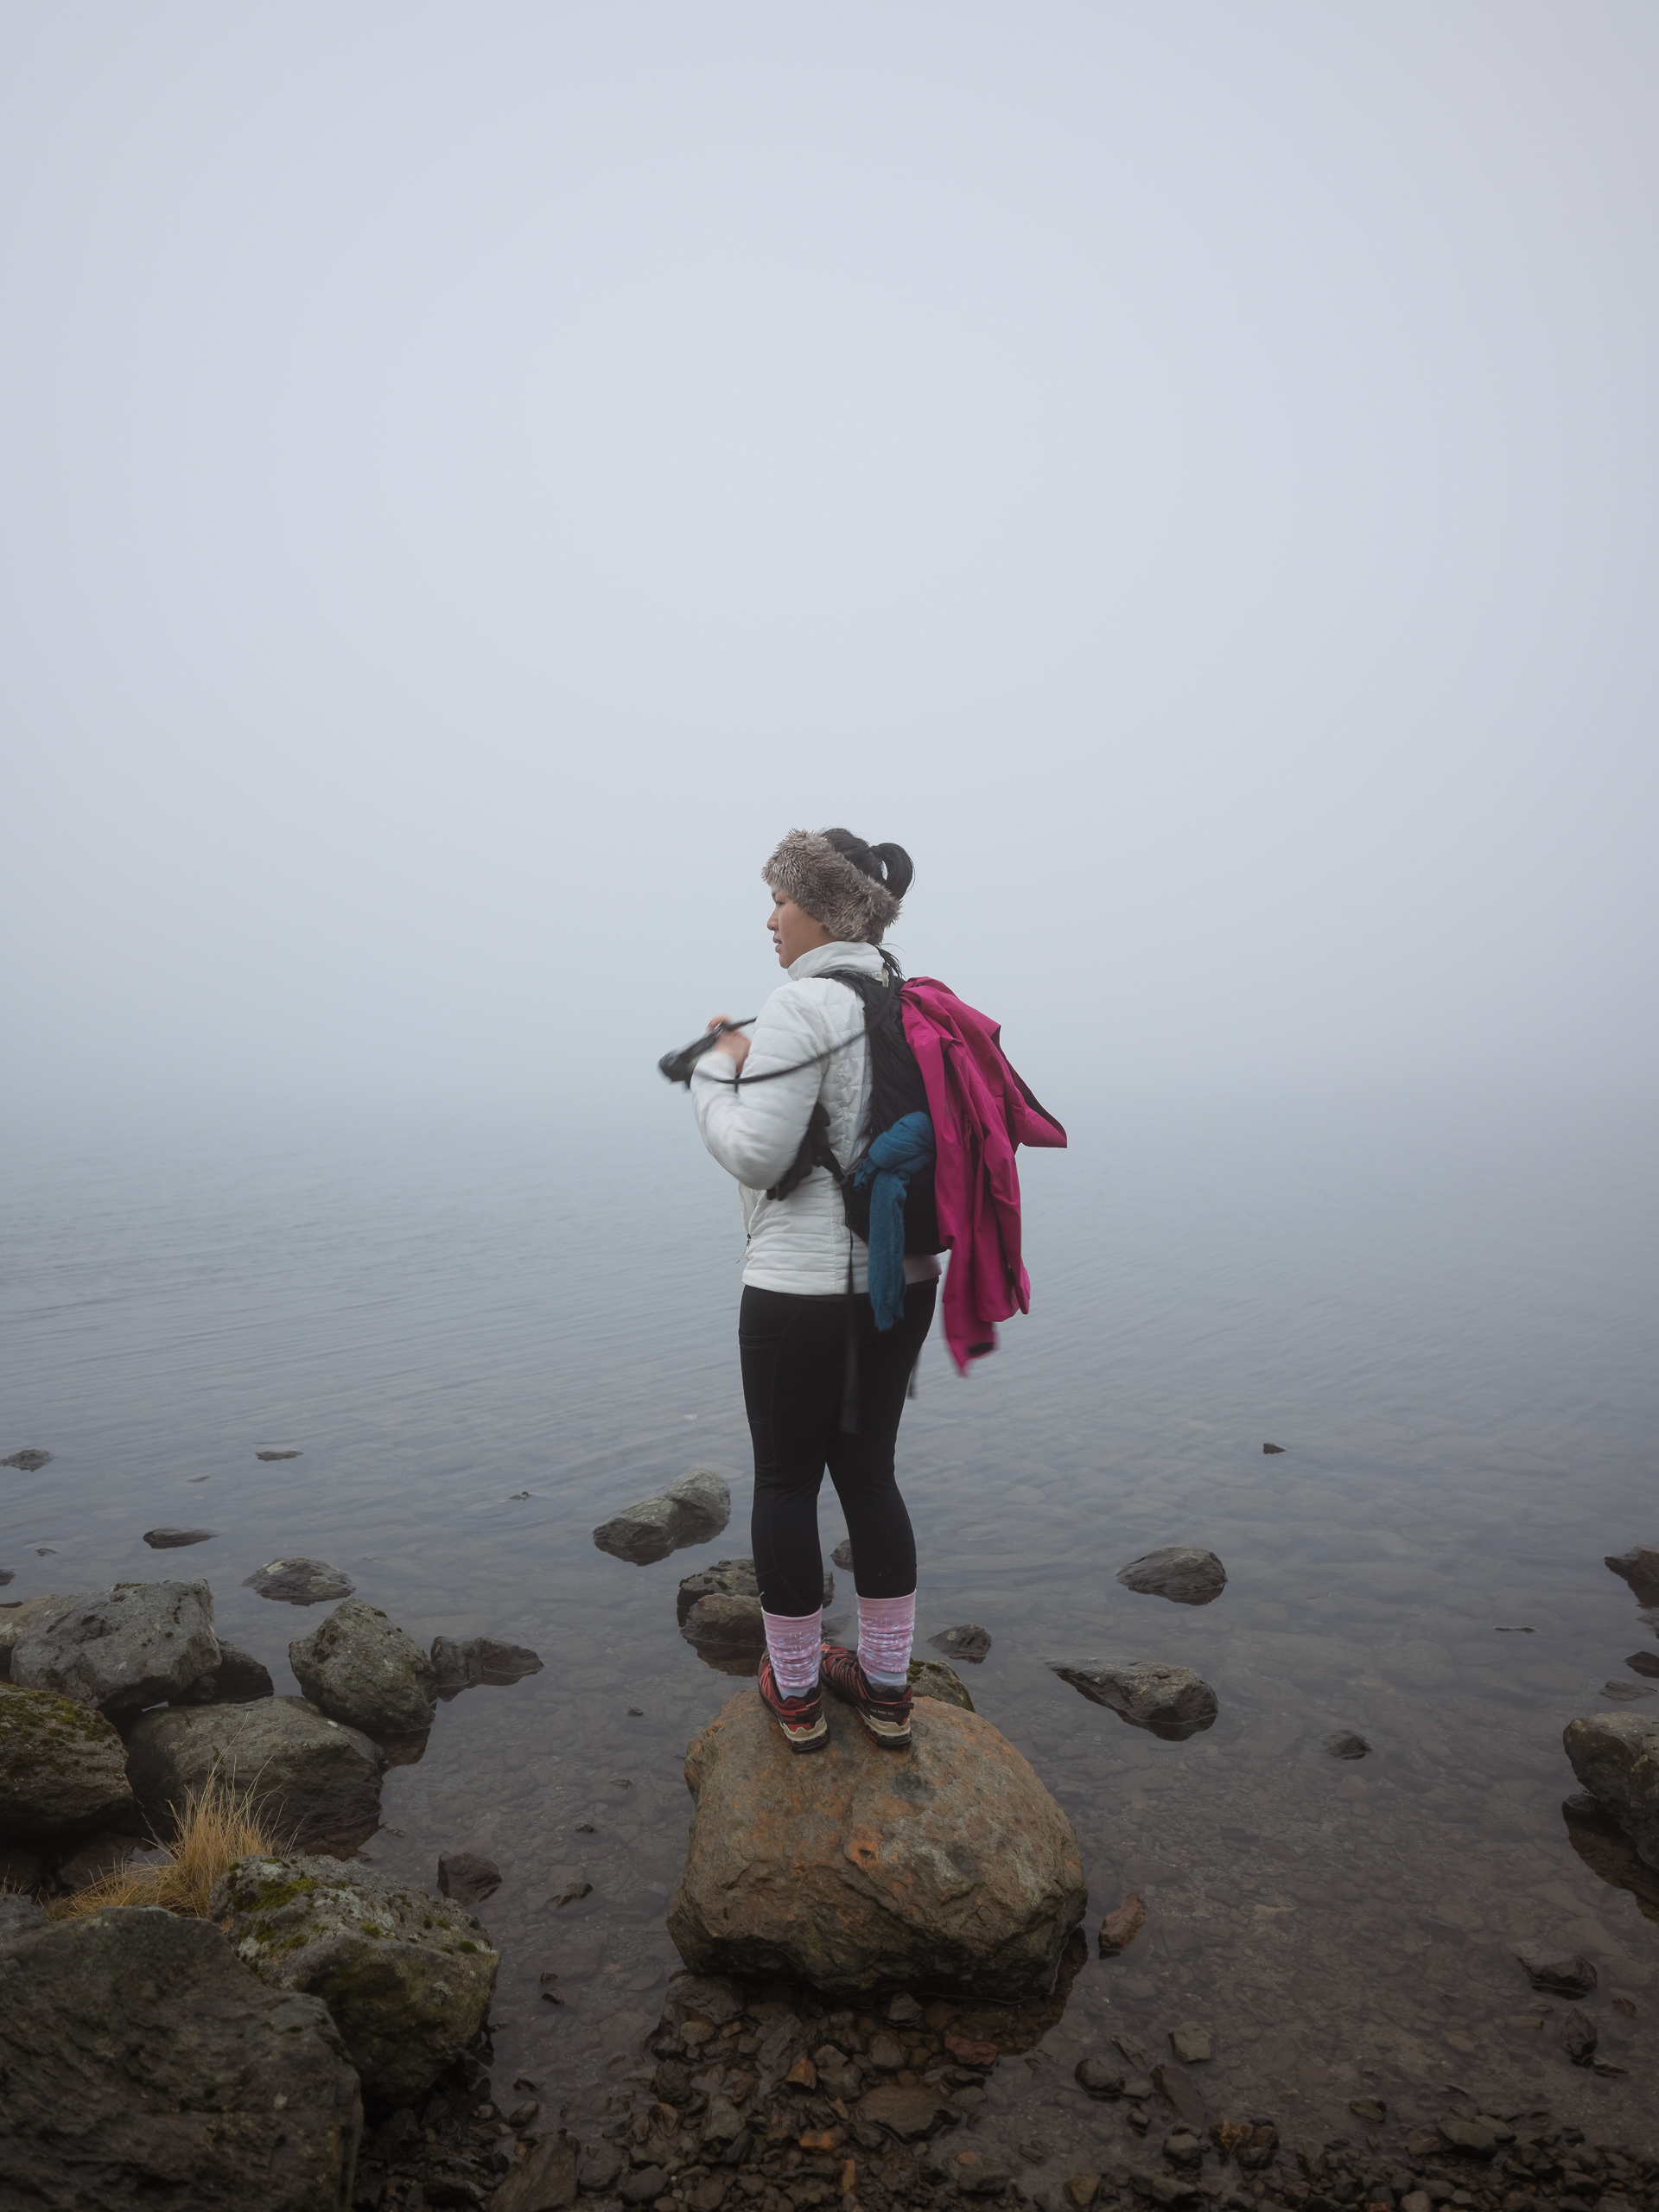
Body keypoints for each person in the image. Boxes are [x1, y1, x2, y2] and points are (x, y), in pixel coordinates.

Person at [692, 827, 937, 1755]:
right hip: (901, 1280)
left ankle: (794, 1691)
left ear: (823, 909)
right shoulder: (908, 1004)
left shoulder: (800, 1005)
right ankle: (884, 1687)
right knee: (869, 1473)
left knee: (788, 1481)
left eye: (781, 901)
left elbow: (756, 1150)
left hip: (800, 1288)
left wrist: (716, 1073)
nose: (769, 918)